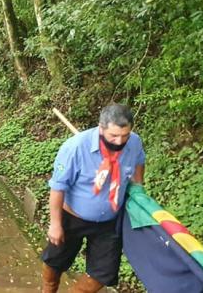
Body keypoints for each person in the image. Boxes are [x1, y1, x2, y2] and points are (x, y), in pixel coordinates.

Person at [42, 104, 146, 293]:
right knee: (54, 264)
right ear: (101, 128)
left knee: (101, 274)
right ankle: (48, 289)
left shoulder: (134, 143)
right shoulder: (75, 148)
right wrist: (55, 224)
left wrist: (138, 187)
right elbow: (58, 187)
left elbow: (139, 161)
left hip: (108, 222)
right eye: (113, 136)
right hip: (71, 218)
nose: (119, 141)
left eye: (125, 136)